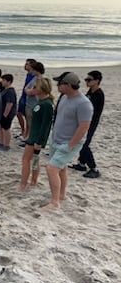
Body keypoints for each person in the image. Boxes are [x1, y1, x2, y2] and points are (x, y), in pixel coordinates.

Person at [43, 72, 93, 209]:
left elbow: (84, 127)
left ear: (68, 85)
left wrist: (70, 145)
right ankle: (61, 195)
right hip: (56, 139)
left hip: (69, 143)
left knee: (51, 168)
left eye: (60, 83)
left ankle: (54, 202)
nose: (57, 85)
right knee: (61, 169)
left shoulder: (84, 103)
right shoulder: (64, 97)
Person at [18, 77, 54, 190]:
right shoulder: (40, 101)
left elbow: (46, 125)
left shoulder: (47, 104)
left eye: (35, 87)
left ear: (42, 88)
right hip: (33, 134)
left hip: (36, 137)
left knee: (26, 160)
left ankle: (23, 184)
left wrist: (40, 141)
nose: (33, 89)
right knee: (33, 160)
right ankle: (33, 181)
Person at [68, 70, 105, 178]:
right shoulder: (90, 91)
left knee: (84, 143)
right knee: (81, 142)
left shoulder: (99, 94)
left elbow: (92, 110)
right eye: (86, 79)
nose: (87, 82)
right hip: (84, 121)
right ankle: (81, 163)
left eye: (89, 80)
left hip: (91, 123)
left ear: (97, 81)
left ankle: (94, 168)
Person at [22, 61, 45, 144]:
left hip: (34, 104)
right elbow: (26, 88)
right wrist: (28, 90)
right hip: (29, 103)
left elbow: (34, 91)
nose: (31, 71)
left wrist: (28, 90)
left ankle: (32, 140)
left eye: (32, 69)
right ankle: (29, 139)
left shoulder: (40, 80)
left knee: (33, 124)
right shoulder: (34, 78)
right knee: (29, 122)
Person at [16, 59, 36, 139]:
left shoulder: (34, 75)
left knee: (28, 117)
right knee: (18, 113)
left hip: (28, 98)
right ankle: (23, 130)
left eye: (27, 64)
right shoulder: (28, 74)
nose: (25, 65)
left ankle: (26, 134)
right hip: (23, 96)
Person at [0, 74, 17, 151]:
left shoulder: (10, 91)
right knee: (0, 128)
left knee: (6, 128)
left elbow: (9, 104)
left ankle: (6, 145)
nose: (2, 82)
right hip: (1, 112)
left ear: (9, 81)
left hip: (7, 114)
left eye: (4, 80)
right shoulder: (5, 89)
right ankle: (1, 142)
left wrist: (5, 115)